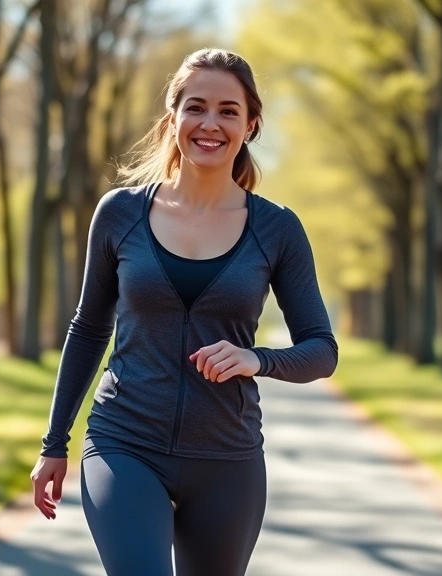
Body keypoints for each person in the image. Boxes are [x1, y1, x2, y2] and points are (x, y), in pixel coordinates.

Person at [29, 47, 338, 576]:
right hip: (125, 441)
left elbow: (321, 350)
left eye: (228, 111)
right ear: (172, 118)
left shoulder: (277, 229)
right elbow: (88, 330)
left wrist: (255, 359)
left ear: (251, 125)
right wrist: (54, 442)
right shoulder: (120, 213)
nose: (209, 124)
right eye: (195, 107)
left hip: (227, 458)